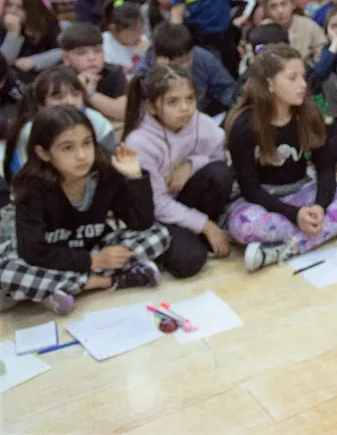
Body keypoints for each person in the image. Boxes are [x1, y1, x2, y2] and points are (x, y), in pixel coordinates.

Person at [0, 106, 169, 315]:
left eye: (87, 143)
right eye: (67, 148)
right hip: (52, 257)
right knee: (6, 272)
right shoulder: (32, 187)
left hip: (92, 248)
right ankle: (105, 281)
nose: (81, 156)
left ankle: (60, 288)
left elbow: (140, 224)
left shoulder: (105, 174)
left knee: (159, 234)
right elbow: (32, 251)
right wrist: (92, 262)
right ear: (43, 153)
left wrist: (135, 178)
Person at [225, 44, 337, 272]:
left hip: (303, 192)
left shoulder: (309, 113)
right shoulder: (244, 126)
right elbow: (250, 189)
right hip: (263, 201)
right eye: (292, 78)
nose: (303, 85)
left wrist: (320, 206)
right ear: (270, 83)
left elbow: (326, 170)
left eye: (303, 77)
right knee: (243, 227)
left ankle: (281, 249)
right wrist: (294, 215)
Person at [123, 64, 236, 279]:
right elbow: (158, 205)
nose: (185, 108)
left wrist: (192, 164)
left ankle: (199, 234)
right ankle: (199, 235)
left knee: (220, 174)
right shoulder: (140, 142)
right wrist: (206, 226)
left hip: (189, 199)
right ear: (152, 107)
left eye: (190, 99)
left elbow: (220, 162)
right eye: (173, 101)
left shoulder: (202, 123)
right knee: (188, 262)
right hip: (160, 215)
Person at [3, 66, 119, 182]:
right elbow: (28, 178)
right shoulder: (30, 130)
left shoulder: (96, 120)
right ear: (41, 106)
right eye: (58, 97)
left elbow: (110, 163)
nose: (70, 102)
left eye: (75, 94)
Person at [134, 24, 237, 117]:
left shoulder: (203, 57)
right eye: (179, 62)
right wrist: (160, 75)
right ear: (162, 58)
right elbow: (139, 105)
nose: (185, 66)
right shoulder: (143, 72)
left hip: (201, 114)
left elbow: (227, 88)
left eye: (188, 59)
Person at [59, 23, 128, 123]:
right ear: (66, 58)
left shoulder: (113, 72)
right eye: (81, 53)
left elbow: (123, 112)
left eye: (97, 51)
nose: (92, 58)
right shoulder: (57, 77)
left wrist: (90, 94)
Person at [0, 0, 62, 79]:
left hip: (43, 72)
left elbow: (60, 50)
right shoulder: (2, 25)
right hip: (12, 76)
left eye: (19, 8)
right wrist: (13, 34)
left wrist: (34, 61)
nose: (12, 11)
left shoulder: (47, 22)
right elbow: (4, 62)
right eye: (9, 5)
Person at [263, 0, 327, 69]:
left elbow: (322, 56)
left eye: (284, 4)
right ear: (267, 11)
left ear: (293, 5)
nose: (280, 10)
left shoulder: (308, 26)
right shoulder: (265, 31)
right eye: (273, 7)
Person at [101, 0, 149, 79]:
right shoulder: (103, 44)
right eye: (132, 30)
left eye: (140, 29)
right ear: (113, 29)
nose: (138, 34)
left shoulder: (144, 40)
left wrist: (146, 54)